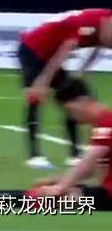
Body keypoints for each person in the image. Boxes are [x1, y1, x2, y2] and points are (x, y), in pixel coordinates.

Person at [0, 79, 112, 211]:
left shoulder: (107, 122)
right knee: (63, 195)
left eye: (70, 110)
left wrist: (60, 187)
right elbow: (91, 170)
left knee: (65, 196)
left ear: (83, 100)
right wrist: (57, 181)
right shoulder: (101, 124)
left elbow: (87, 163)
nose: (71, 117)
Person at [18, 9, 112, 169]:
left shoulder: (106, 28)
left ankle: (75, 154)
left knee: (77, 98)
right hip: (33, 50)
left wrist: (82, 71)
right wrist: (43, 81)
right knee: (36, 97)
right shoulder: (87, 23)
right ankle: (34, 156)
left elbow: (98, 48)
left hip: (52, 54)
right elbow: (64, 51)